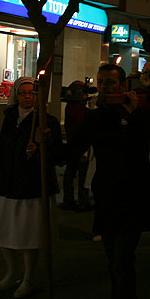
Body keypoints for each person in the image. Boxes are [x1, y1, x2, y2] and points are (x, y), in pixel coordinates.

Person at [66, 64, 150, 299]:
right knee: (113, 259)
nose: (104, 87)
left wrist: (135, 112)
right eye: (100, 82)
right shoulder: (95, 117)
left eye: (110, 82)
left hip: (133, 197)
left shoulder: (137, 113)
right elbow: (74, 149)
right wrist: (46, 143)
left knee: (122, 262)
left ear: (122, 85)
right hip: (107, 197)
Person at [0, 76, 63, 298]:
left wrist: (39, 149)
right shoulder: (10, 118)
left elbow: (57, 155)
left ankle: (28, 279)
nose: (27, 97)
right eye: (23, 93)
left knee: (28, 237)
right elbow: (1, 151)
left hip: (32, 187)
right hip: (8, 184)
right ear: (16, 95)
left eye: (31, 93)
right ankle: (12, 272)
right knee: (3, 233)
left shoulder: (47, 121)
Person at [60, 80, 92, 211]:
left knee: (70, 173)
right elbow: (82, 125)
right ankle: (83, 202)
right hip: (80, 145)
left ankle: (68, 200)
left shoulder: (71, 106)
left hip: (72, 144)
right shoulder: (78, 108)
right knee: (82, 175)